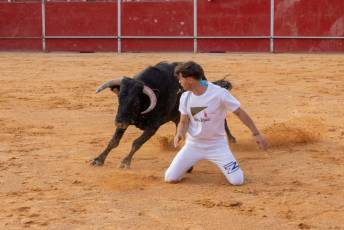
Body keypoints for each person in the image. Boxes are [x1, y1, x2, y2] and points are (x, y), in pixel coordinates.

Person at [164, 61, 268, 185]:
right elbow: (183, 121)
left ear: (190, 79)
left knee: (237, 181)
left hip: (217, 146)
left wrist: (256, 134)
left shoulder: (219, 93)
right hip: (193, 145)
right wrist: (179, 132)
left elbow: (240, 113)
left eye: (181, 79)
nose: (179, 82)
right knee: (170, 178)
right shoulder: (185, 97)